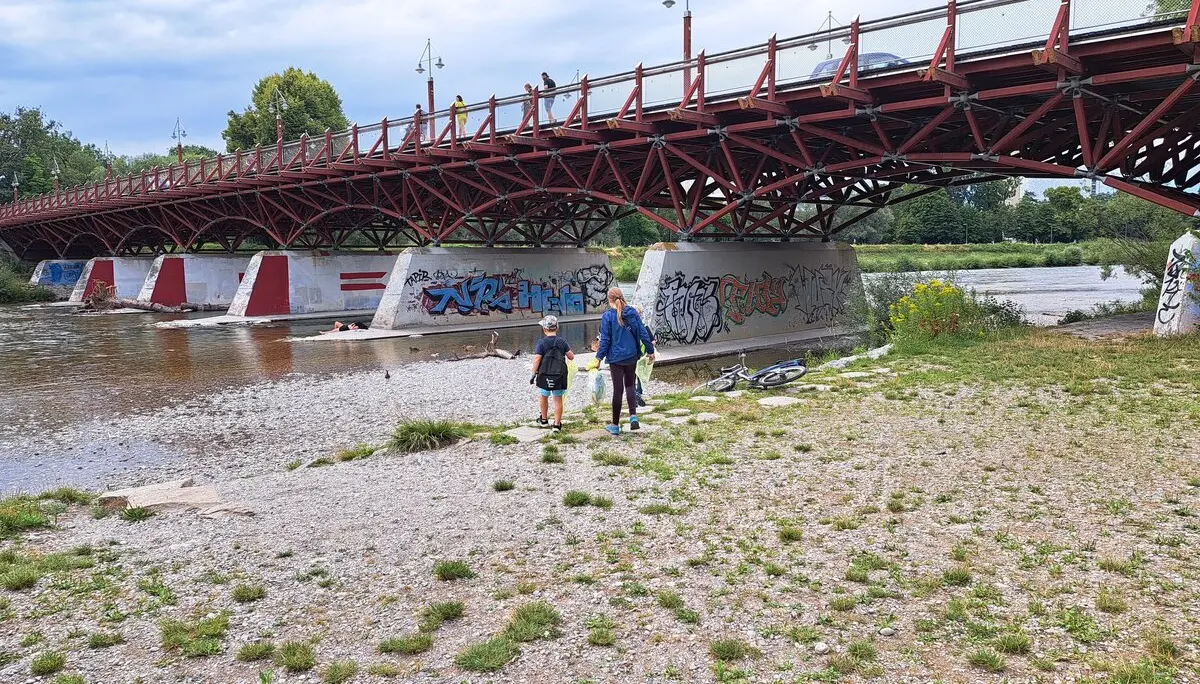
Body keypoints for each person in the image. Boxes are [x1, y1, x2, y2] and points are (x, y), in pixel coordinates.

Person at [593, 287, 654, 436]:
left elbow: (605, 340)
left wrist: (599, 357)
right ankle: (633, 416)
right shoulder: (632, 312)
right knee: (630, 385)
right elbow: (642, 332)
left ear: (609, 300)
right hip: (631, 355)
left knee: (618, 390)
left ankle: (614, 425)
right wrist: (650, 351)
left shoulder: (607, 316)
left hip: (616, 358)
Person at [530, 315, 574, 431]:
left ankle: (544, 420)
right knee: (557, 399)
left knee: (543, 396)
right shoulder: (562, 342)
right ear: (557, 328)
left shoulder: (541, 343)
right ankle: (557, 424)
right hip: (559, 375)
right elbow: (571, 356)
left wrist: (533, 373)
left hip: (544, 375)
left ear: (544, 329)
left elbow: (537, 359)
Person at [630, 304, 657, 406]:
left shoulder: (627, 326)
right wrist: (650, 350)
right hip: (642, 354)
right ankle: (638, 392)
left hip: (632, 354)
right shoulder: (643, 325)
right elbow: (652, 341)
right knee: (639, 373)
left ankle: (635, 393)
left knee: (633, 374)